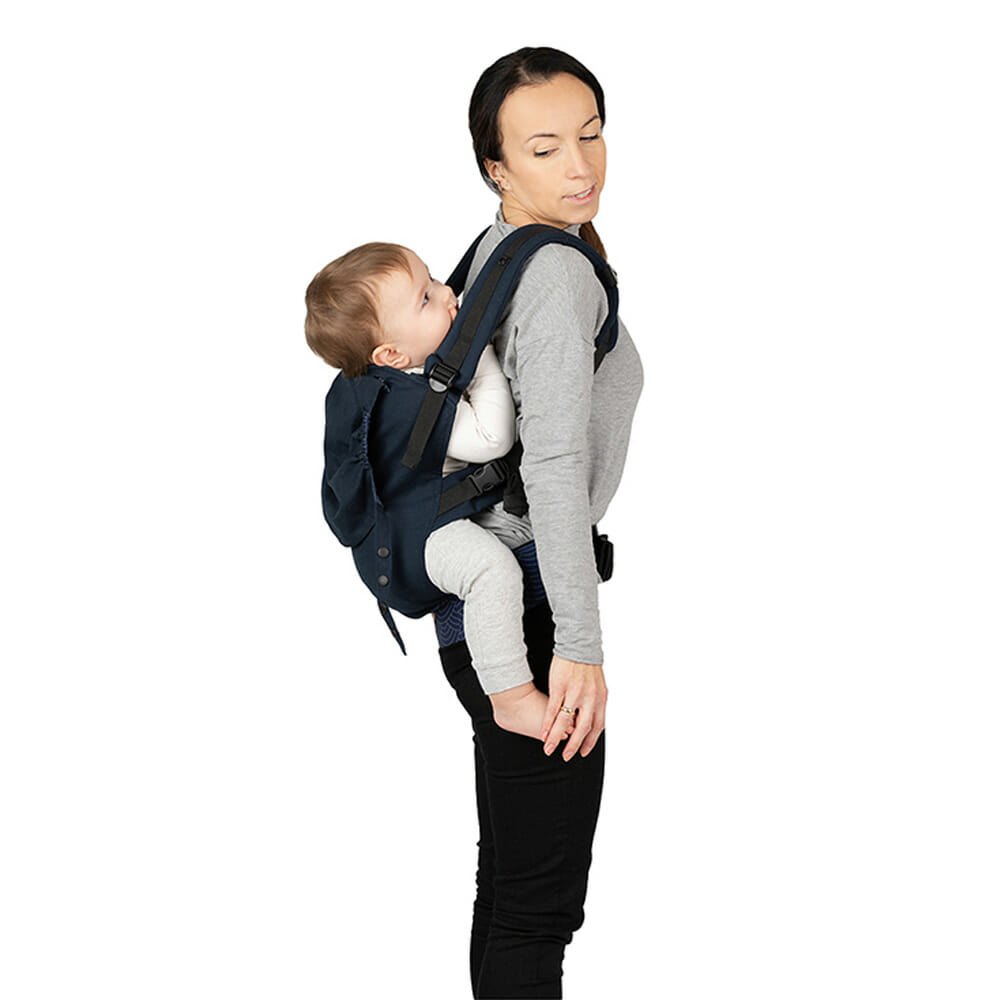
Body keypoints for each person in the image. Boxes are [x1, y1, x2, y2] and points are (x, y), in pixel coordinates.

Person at [438, 47, 643, 997]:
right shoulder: (555, 272)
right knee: (536, 909)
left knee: (512, 889)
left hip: (479, 601)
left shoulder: (494, 252)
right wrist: (579, 645)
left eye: (591, 135)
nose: (580, 167)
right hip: (530, 611)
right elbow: (555, 468)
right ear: (497, 167)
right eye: (545, 147)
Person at [304, 242, 579, 746]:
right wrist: (482, 352)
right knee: (492, 570)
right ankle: (511, 697)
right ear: (391, 355)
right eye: (426, 298)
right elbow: (491, 438)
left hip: (405, 535)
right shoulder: (407, 404)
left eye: (433, 279)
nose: (448, 293)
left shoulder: (380, 382)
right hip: (415, 548)